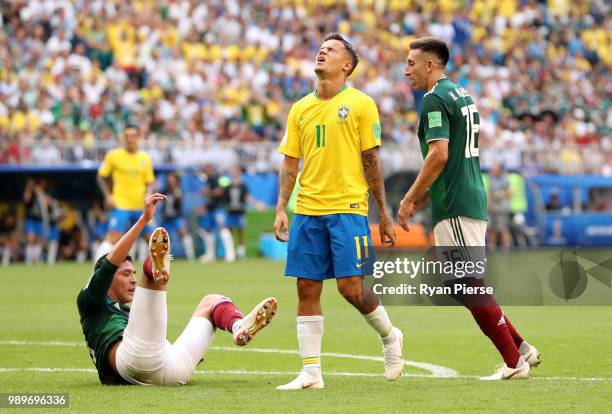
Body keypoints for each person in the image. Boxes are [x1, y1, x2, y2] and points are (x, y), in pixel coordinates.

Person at [397, 37, 540, 380]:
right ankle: (520, 348)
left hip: (457, 201)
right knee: (456, 283)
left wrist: (410, 196)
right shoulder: (461, 94)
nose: (407, 70)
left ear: (429, 65)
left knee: (466, 282)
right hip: (466, 194)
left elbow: (439, 153)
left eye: (411, 63)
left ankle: (513, 362)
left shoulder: (434, 98)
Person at [273, 33, 404, 390]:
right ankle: (311, 373)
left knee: (350, 289)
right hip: (309, 210)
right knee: (306, 288)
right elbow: (289, 164)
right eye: (321, 48)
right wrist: (282, 208)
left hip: (348, 208)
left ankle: (391, 336)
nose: (322, 51)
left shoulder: (361, 104)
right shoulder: (300, 108)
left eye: (331, 50)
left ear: (346, 65)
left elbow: (371, 161)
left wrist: (385, 213)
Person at [77, 193, 278, 385]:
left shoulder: (128, 314)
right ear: (106, 279)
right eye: (125, 274)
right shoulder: (90, 300)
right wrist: (143, 220)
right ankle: (154, 267)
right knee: (150, 276)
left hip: (169, 367)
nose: (132, 280)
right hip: (134, 361)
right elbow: (109, 264)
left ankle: (238, 327)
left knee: (212, 301)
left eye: (133, 273)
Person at [95, 125, 155, 261]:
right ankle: (97, 271)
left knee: (152, 240)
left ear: (138, 138)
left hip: (140, 206)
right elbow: (101, 176)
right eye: (127, 136)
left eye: (133, 136)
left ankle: (157, 273)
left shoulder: (145, 158)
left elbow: (150, 181)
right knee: (113, 237)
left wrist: (148, 195)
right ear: (123, 138)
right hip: (120, 204)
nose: (130, 140)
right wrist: (108, 195)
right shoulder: (114, 155)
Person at [197, 164, 235, 263]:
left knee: (223, 228)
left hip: (219, 208)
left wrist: (207, 193)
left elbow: (220, 191)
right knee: (208, 231)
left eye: (206, 169)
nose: (205, 171)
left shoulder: (218, 178)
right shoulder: (208, 180)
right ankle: (210, 255)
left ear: (210, 168)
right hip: (210, 208)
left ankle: (230, 254)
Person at [160, 172, 195, 260]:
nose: (170, 182)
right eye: (169, 180)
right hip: (166, 218)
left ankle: (190, 255)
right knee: (164, 238)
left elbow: (180, 202)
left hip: (176, 217)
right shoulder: (164, 190)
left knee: (184, 233)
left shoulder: (179, 191)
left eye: (172, 180)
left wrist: (177, 192)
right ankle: (165, 257)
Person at [225, 167, 250, 260]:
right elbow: (224, 198)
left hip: (240, 213)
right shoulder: (228, 187)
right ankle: (230, 253)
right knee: (229, 232)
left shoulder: (243, 186)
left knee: (241, 232)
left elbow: (247, 197)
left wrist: (256, 203)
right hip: (230, 213)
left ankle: (241, 253)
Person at [487, 163, 513, 250]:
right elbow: (490, 194)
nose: (493, 171)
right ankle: (491, 248)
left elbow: (510, 193)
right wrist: (489, 206)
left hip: (502, 209)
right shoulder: (491, 179)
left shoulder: (505, 179)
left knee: (502, 229)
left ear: (500, 171)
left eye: (495, 170)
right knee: (492, 229)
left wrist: (499, 195)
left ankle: (506, 248)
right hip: (493, 209)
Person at [23, 178, 46, 264]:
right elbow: (26, 200)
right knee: (31, 239)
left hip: (39, 219)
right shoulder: (29, 193)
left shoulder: (39, 193)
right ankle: (28, 260)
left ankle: (36, 259)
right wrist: (29, 189)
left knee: (39, 240)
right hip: (31, 219)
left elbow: (47, 201)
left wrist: (40, 192)